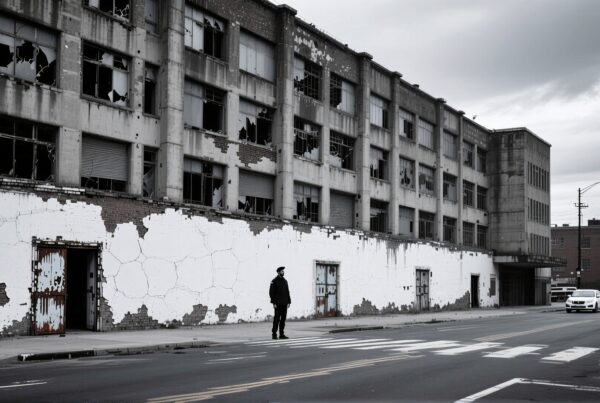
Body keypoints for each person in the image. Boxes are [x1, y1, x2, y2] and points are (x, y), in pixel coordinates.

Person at [269, 266, 291, 339]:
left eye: (283, 271)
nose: (283, 272)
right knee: (276, 319)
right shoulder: (274, 281)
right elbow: (271, 293)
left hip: (284, 303)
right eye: (282, 271)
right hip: (278, 304)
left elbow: (287, 292)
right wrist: (274, 303)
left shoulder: (285, 281)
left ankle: (281, 334)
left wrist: (289, 301)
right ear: (278, 272)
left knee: (283, 320)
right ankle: (274, 334)